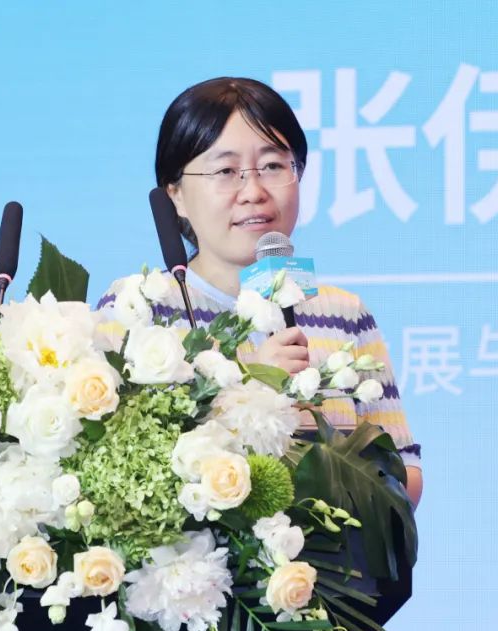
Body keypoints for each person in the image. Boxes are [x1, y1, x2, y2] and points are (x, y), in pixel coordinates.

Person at [97, 76, 423, 503]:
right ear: (175, 195)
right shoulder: (140, 307)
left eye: (273, 166)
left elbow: (404, 473)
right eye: (226, 171)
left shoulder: (343, 314)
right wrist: (250, 389)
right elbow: (114, 472)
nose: (253, 192)